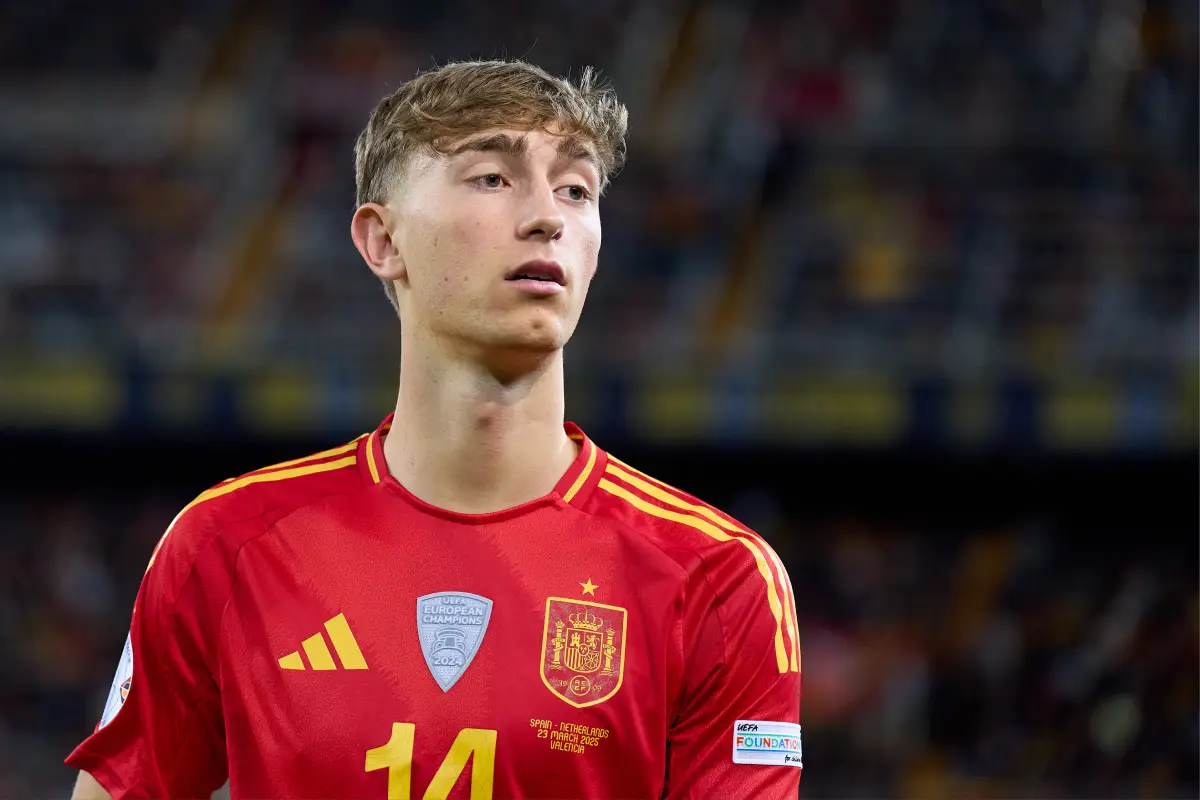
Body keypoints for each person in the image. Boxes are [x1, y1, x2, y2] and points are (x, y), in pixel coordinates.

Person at [66, 59, 802, 800]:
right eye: (492, 178)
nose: (548, 214)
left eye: (575, 189)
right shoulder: (225, 546)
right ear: (382, 241)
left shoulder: (718, 578)